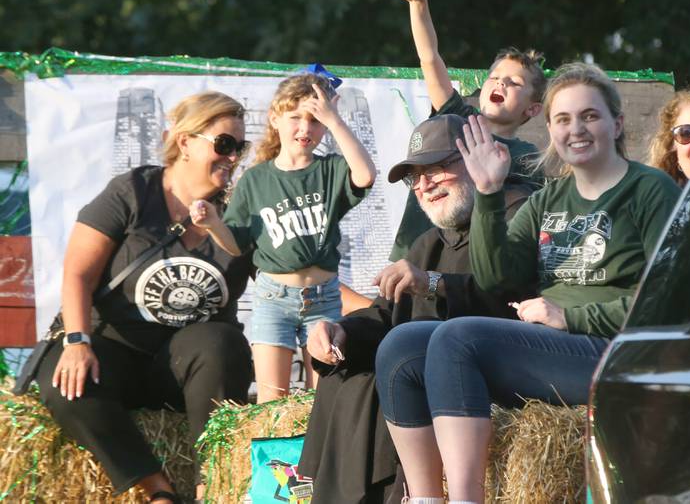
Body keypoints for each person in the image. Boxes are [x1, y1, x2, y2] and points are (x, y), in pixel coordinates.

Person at [374, 63, 682, 503]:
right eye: (562, 119)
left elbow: (668, 301)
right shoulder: (547, 200)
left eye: (589, 116)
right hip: (553, 350)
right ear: (550, 130)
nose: (575, 129)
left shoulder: (649, 191)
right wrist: (487, 190)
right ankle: (426, 498)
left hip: (617, 353)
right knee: (402, 347)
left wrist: (569, 315)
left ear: (617, 123)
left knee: (458, 338)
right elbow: (497, 278)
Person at [297, 114, 530, 504]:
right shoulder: (427, 241)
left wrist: (433, 283)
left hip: (484, 373)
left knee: (387, 375)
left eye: (438, 169)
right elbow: (385, 316)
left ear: (478, 161)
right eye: (415, 177)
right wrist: (339, 332)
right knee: (346, 373)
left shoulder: (518, 218)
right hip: (419, 370)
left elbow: (510, 299)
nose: (424, 185)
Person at [36, 91, 255, 503]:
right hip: (114, 353)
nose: (232, 157)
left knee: (220, 341)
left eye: (239, 148)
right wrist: (77, 342)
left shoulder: (240, 212)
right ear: (185, 141)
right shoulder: (134, 191)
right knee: (61, 383)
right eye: (224, 144)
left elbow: (294, 277)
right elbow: (78, 273)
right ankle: (158, 491)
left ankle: (212, 485)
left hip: (187, 369)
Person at [191, 73, 376, 403]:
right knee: (271, 401)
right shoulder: (256, 179)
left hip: (323, 299)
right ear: (275, 118)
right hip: (273, 298)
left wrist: (334, 121)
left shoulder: (330, 169)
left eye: (314, 121)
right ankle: (276, 456)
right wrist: (213, 224)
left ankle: (316, 456)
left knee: (322, 400)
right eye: (295, 118)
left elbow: (365, 175)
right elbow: (237, 243)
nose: (305, 129)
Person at [386, 0, 546, 261]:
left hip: (466, 268)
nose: (500, 84)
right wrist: (418, 5)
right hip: (413, 256)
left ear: (534, 109)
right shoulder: (457, 119)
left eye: (513, 82)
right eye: (495, 78)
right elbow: (430, 58)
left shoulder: (529, 159)